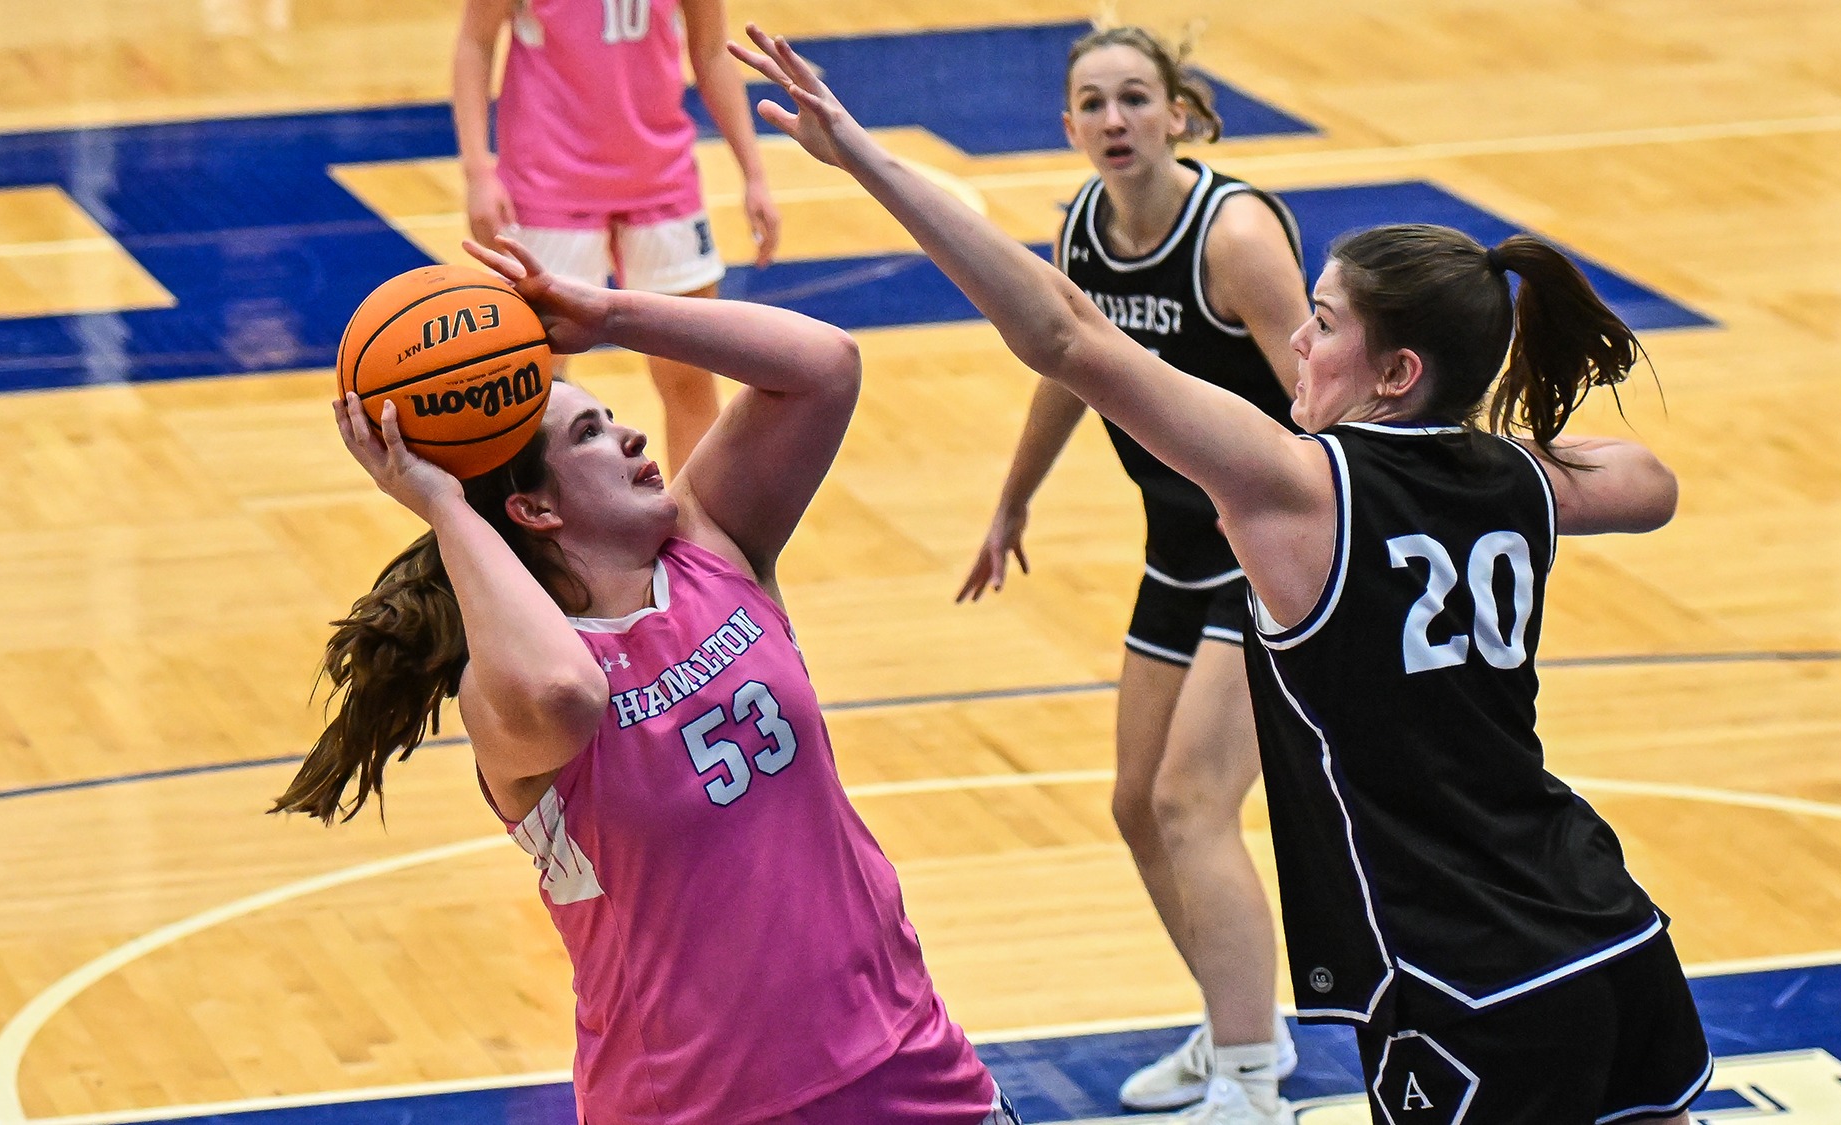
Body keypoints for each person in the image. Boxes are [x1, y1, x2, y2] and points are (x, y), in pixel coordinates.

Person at [733, 27, 1710, 1125]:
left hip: (1465, 968)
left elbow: (1063, 335)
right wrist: (1469, 457)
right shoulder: (1517, 483)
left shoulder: (1298, 489)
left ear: (1395, 373)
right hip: (1609, 923)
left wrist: (863, 157)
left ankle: (1244, 1078)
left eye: (1323, 327)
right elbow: (1651, 483)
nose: (1295, 344)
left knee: (1183, 799)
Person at [273, 235, 1019, 1125]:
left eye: (612, 415)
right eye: (589, 434)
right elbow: (567, 696)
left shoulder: (712, 546)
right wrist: (441, 501)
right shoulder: (510, 686)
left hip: (908, 1067)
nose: (631, 434)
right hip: (697, 1110)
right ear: (534, 508)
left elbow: (825, 366)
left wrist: (611, 315)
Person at [954, 25, 1306, 1115]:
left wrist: (1343, 545)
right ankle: (1238, 1022)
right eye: (1095, 104)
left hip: (1263, 549)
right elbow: (1068, 365)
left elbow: (1320, 397)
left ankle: (1251, 1081)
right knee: (1135, 806)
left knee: (1192, 800)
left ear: (1178, 114)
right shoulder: (1082, 230)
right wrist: (1014, 496)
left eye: (1135, 98)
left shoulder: (1233, 237)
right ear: (1069, 126)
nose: (1116, 119)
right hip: (1177, 548)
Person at [453, 0, 782, 470]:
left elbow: (711, 52)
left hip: (662, 180)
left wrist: (755, 174)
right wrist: (477, 173)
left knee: (689, 377)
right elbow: (476, 42)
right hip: (547, 182)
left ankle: (696, 518)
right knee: (534, 385)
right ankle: (534, 517)